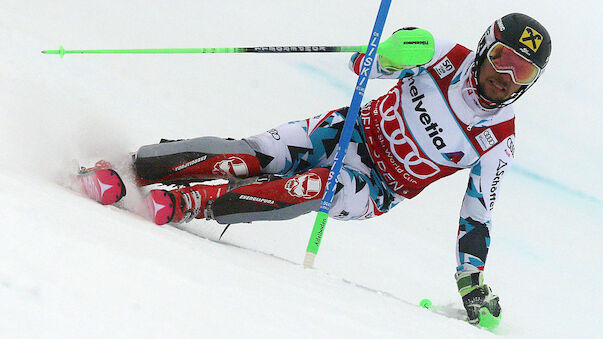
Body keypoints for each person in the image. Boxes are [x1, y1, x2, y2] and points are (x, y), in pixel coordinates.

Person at [79, 13, 551, 326]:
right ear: (485, 47)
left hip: (373, 186)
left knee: (315, 187)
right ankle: (130, 168)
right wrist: (388, 56)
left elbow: (478, 212)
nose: (504, 78)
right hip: (342, 131)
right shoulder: (446, 55)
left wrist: (472, 281)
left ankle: (190, 202)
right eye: (502, 60)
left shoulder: (498, 140)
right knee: (251, 157)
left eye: (522, 74)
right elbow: (364, 65)